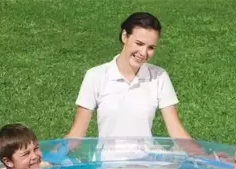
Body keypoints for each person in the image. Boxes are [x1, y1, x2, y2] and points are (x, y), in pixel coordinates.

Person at [62, 11, 205, 159]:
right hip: (108, 166)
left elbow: (177, 132)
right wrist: (50, 158)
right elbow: (77, 135)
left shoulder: (159, 76)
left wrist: (206, 156)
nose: (143, 53)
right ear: (125, 36)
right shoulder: (95, 76)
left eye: (151, 47)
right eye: (139, 44)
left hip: (147, 165)